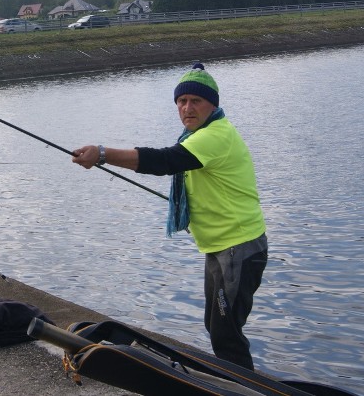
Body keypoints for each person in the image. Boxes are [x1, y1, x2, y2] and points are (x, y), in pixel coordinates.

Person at [71, 62, 267, 370]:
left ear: (212, 104)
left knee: (226, 334)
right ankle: (235, 385)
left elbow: (164, 161)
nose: (187, 108)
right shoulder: (196, 136)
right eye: (181, 101)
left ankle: (247, 389)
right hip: (221, 247)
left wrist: (104, 153)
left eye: (196, 101)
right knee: (215, 326)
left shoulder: (215, 136)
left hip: (238, 248)